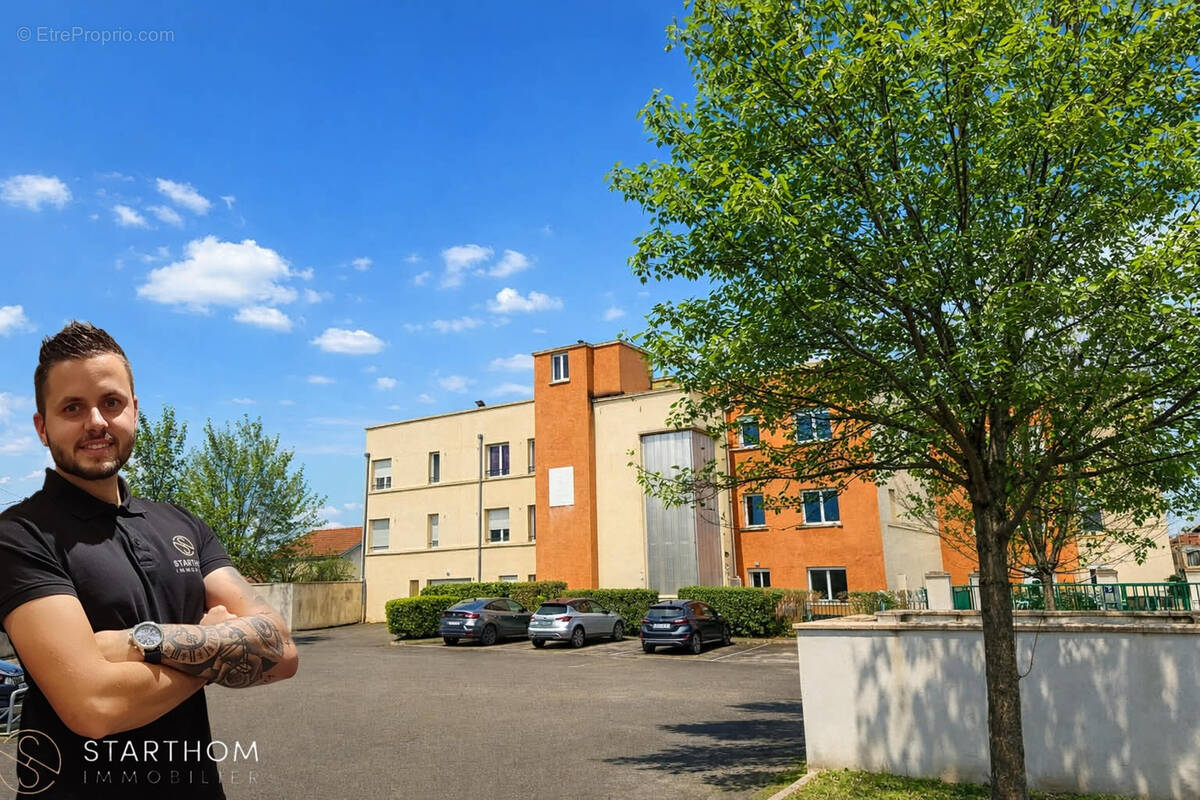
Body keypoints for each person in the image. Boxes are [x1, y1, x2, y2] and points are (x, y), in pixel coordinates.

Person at [0, 322, 299, 798]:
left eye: (111, 402)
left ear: (134, 411)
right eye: (72, 407)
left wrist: (140, 642)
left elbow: (282, 652)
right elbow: (93, 706)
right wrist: (217, 645)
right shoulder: (19, 535)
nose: (96, 420)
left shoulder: (183, 525)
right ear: (42, 427)